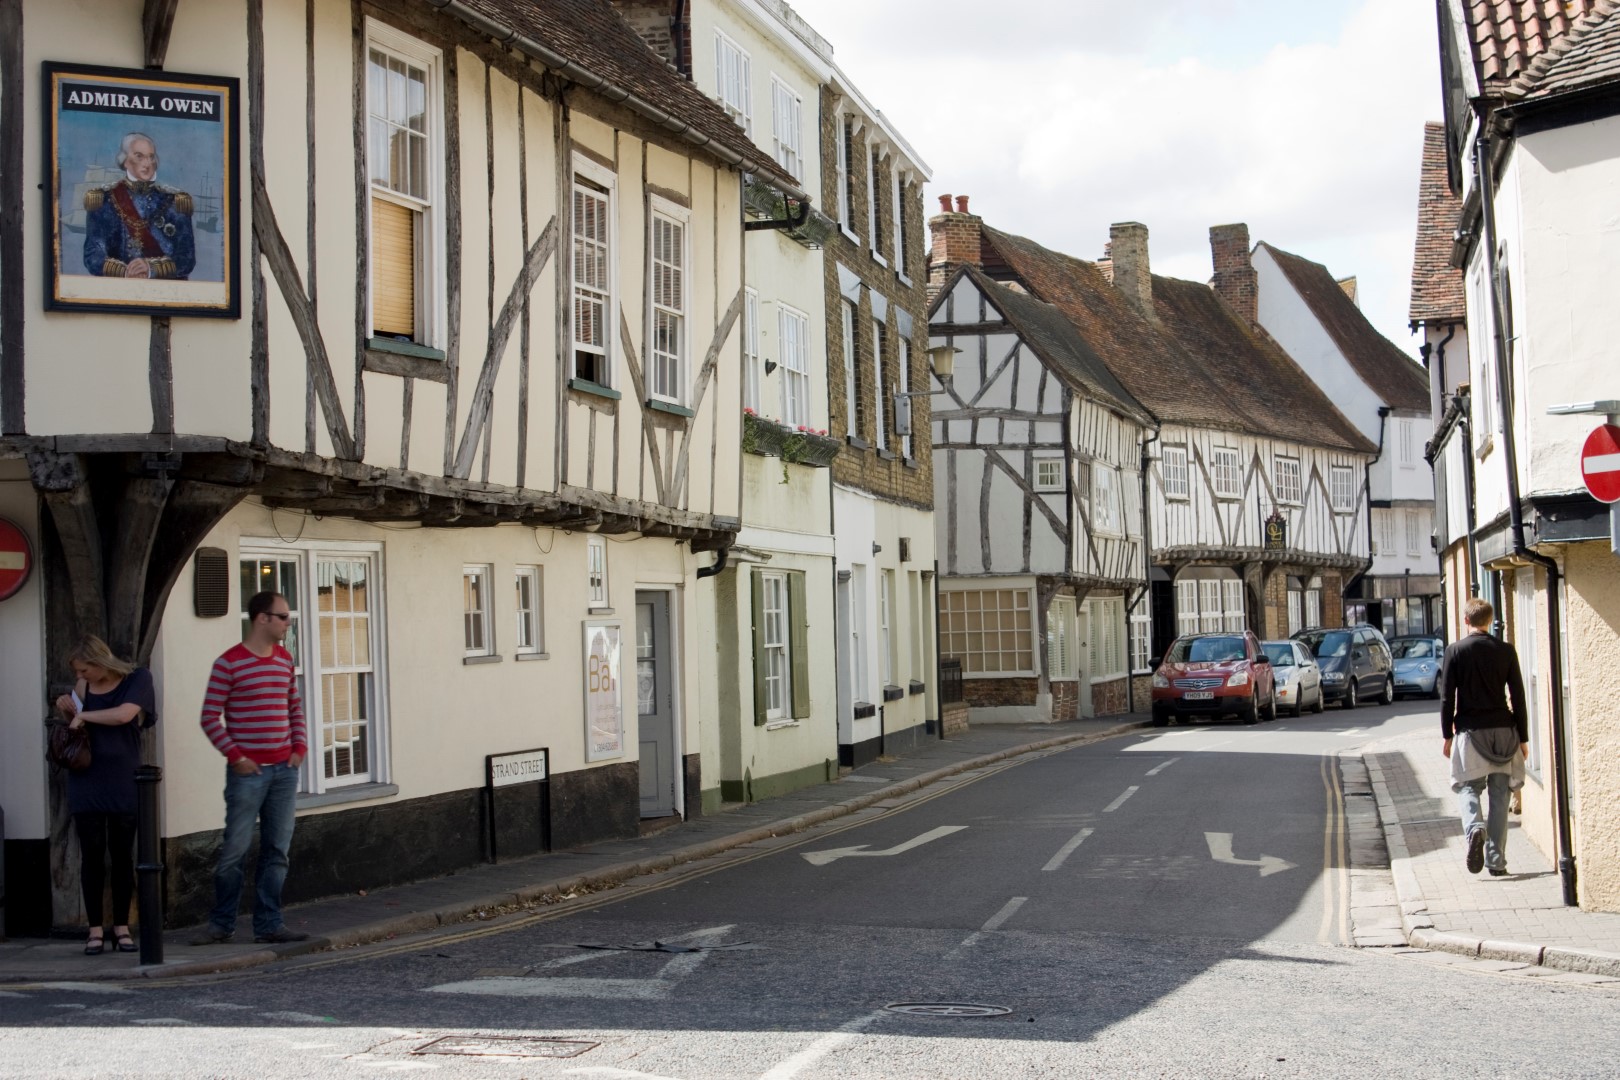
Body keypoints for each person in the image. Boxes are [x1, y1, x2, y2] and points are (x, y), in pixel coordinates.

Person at [192, 591, 309, 945]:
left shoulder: (284, 660)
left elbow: (294, 708)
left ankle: (269, 925)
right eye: (284, 617)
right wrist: (236, 756)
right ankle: (221, 924)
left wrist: (299, 747)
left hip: (284, 772)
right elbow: (210, 716)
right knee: (234, 851)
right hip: (249, 774)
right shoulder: (228, 663)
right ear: (262, 618)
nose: (288, 623)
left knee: (277, 851)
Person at [53, 636, 157, 955]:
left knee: (123, 855)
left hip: (124, 778)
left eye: (85, 670)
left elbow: (124, 715)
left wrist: (84, 716)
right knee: (93, 856)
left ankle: (122, 928)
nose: (81, 677)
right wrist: (66, 706)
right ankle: (95, 930)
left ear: (100, 662)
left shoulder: (137, 679)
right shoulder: (83, 687)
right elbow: (74, 726)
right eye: (78, 672)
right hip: (87, 780)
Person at [1439, 597, 1529, 877]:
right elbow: (1518, 696)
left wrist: (1447, 735)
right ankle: (1497, 862)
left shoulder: (1455, 651)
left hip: (1470, 732)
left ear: (1466, 620)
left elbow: (1446, 698)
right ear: (1489, 621)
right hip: (1504, 731)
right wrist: (1523, 737)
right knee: (1501, 796)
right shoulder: (1506, 650)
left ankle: (1475, 828)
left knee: (1468, 787)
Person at [82, 132, 195, 279]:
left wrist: (151, 268)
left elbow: (187, 258)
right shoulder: (104, 200)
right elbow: (93, 254)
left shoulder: (174, 202)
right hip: (118, 288)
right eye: (139, 156)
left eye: (151, 157)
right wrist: (125, 272)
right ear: (125, 161)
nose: (147, 163)